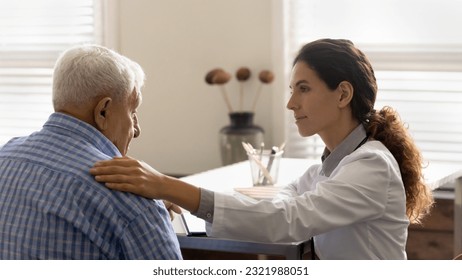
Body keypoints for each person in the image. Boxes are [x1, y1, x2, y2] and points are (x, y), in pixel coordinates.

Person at [89, 39, 434, 260]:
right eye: (292, 89)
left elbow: (288, 220)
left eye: (303, 89)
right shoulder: (323, 171)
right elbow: (276, 204)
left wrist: (166, 184)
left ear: (343, 94)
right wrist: (180, 202)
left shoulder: (371, 165)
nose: (290, 103)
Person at [0, 45, 182, 259]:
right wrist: (148, 215)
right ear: (103, 111)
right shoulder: (130, 196)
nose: (136, 129)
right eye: (132, 112)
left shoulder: (5, 157)